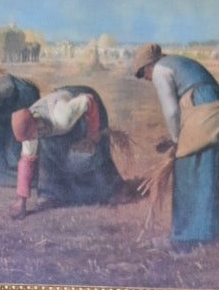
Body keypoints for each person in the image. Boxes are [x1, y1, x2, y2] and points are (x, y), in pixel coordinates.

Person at [131, 42, 219, 245]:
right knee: (216, 167)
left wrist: (176, 141)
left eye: (142, 74)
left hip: (206, 111)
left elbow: (172, 112)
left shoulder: (160, 70)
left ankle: (188, 236)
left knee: (187, 168)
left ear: (148, 66)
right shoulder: (178, 61)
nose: (145, 79)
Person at [8, 85, 132, 219]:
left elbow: (88, 101)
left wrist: (92, 135)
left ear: (36, 124)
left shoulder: (62, 116)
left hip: (86, 106)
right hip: (62, 116)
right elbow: (27, 160)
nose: (29, 140)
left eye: (31, 136)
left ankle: (116, 189)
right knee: (49, 150)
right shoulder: (29, 128)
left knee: (92, 151)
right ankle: (50, 194)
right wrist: (21, 198)